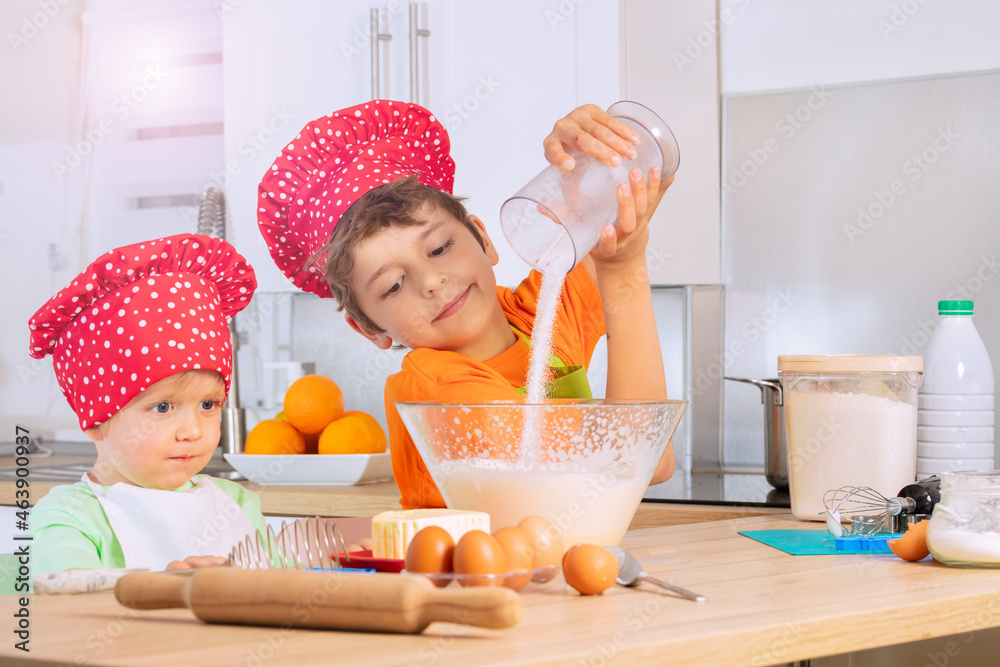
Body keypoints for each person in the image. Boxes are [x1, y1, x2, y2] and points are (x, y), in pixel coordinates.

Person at [258, 100, 674, 509]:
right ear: (369, 328)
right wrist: (623, 267)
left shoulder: (533, 317)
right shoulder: (437, 393)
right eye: (394, 285)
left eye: (439, 248)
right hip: (474, 578)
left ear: (483, 238)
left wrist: (598, 160)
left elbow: (631, 204)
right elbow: (634, 461)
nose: (432, 281)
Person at [27, 234, 267, 573]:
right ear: (96, 420)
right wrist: (162, 588)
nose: (193, 431)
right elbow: (68, 596)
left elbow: (282, 583)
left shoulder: (238, 504)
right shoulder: (70, 517)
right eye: (163, 408)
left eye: (209, 405)